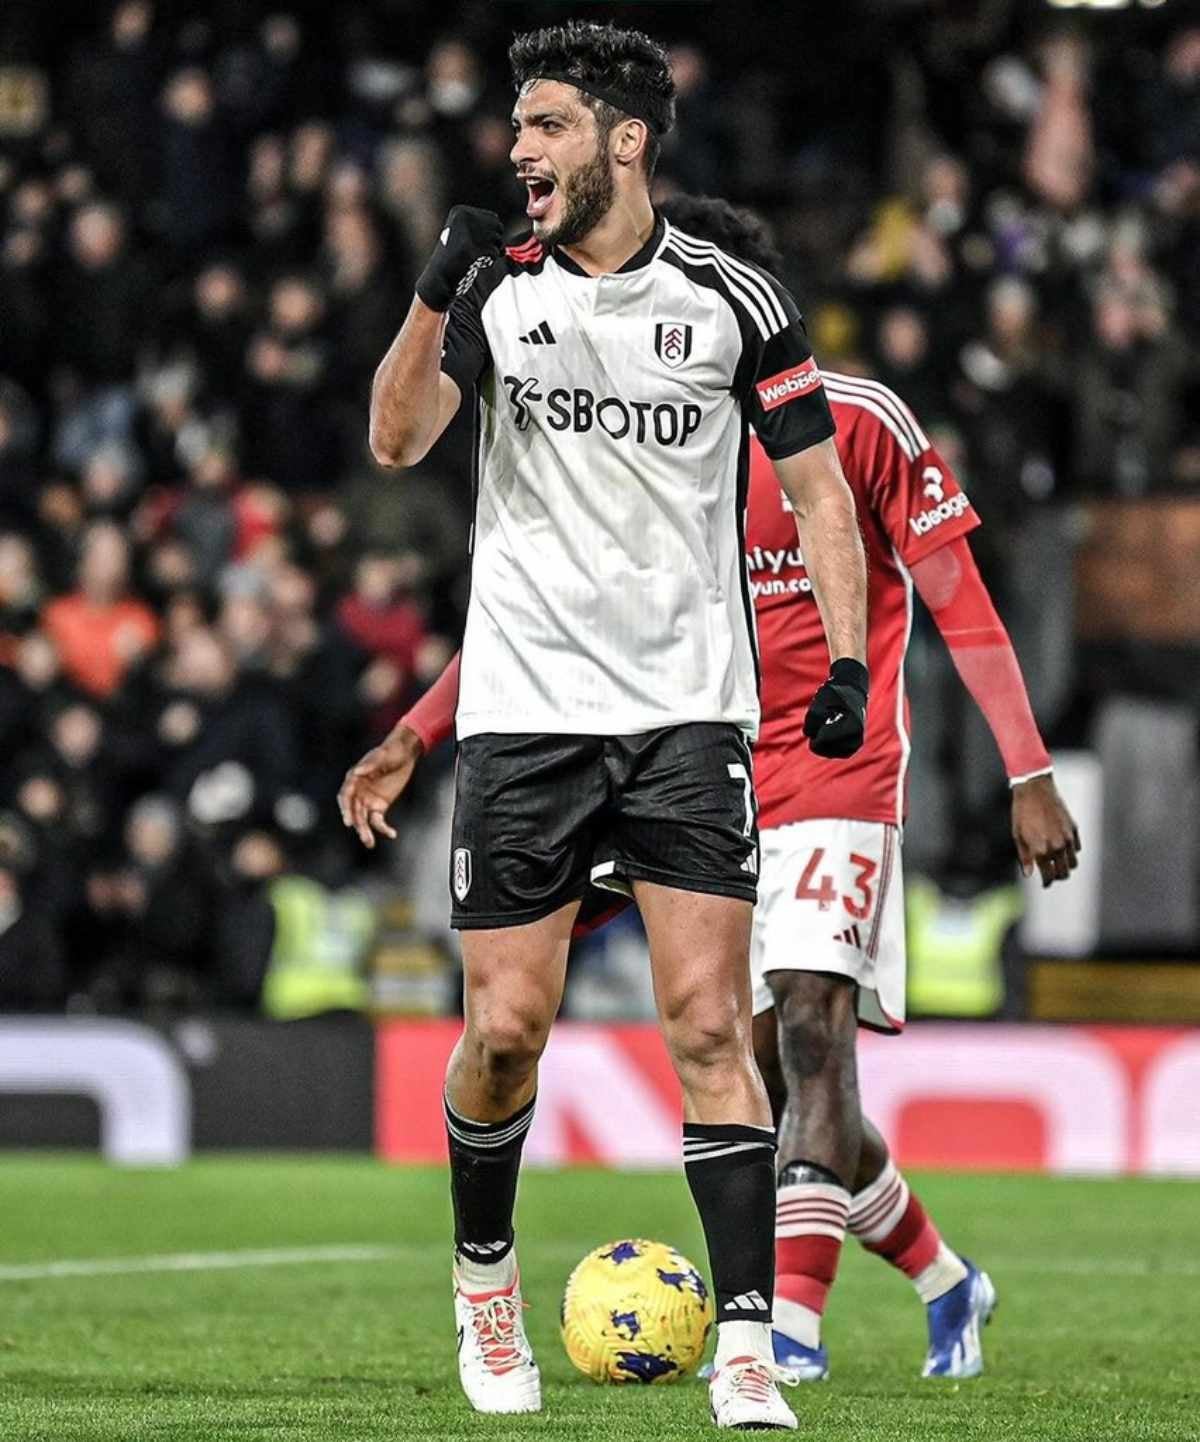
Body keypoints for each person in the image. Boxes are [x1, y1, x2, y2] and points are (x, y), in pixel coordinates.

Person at [344, 192, 1080, 1388]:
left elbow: (959, 597)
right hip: (695, 763)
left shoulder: (856, 421)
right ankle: (947, 1275)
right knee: (776, 1069)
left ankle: (782, 1328)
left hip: (839, 771)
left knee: (808, 1022)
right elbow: (547, 616)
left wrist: (1029, 767)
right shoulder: (649, 444)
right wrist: (420, 734)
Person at [362, 22, 868, 1430]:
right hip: (526, 713)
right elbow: (397, 440)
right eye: (516, 129)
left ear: (624, 141)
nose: (519, 150)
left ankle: (750, 1350)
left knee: (713, 1023)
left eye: (545, 126)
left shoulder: (733, 301)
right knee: (507, 1028)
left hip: (683, 712)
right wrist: (427, 295)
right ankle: (485, 1293)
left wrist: (844, 663)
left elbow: (820, 495)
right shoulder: (497, 293)